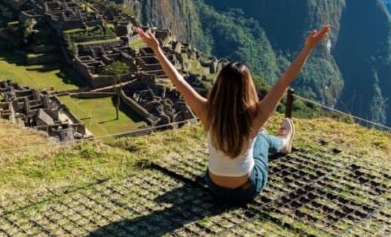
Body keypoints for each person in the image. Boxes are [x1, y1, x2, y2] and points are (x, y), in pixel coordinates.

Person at [136, 25, 331, 203]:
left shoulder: (206, 111)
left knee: (250, 141)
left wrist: (156, 49)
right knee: (261, 139)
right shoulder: (256, 116)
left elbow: (178, 81)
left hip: (215, 187)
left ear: (219, 86)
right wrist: (308, 47)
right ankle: (283, 141)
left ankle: (278, 142)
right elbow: (285, 79)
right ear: (248, 88)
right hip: (246, 189)